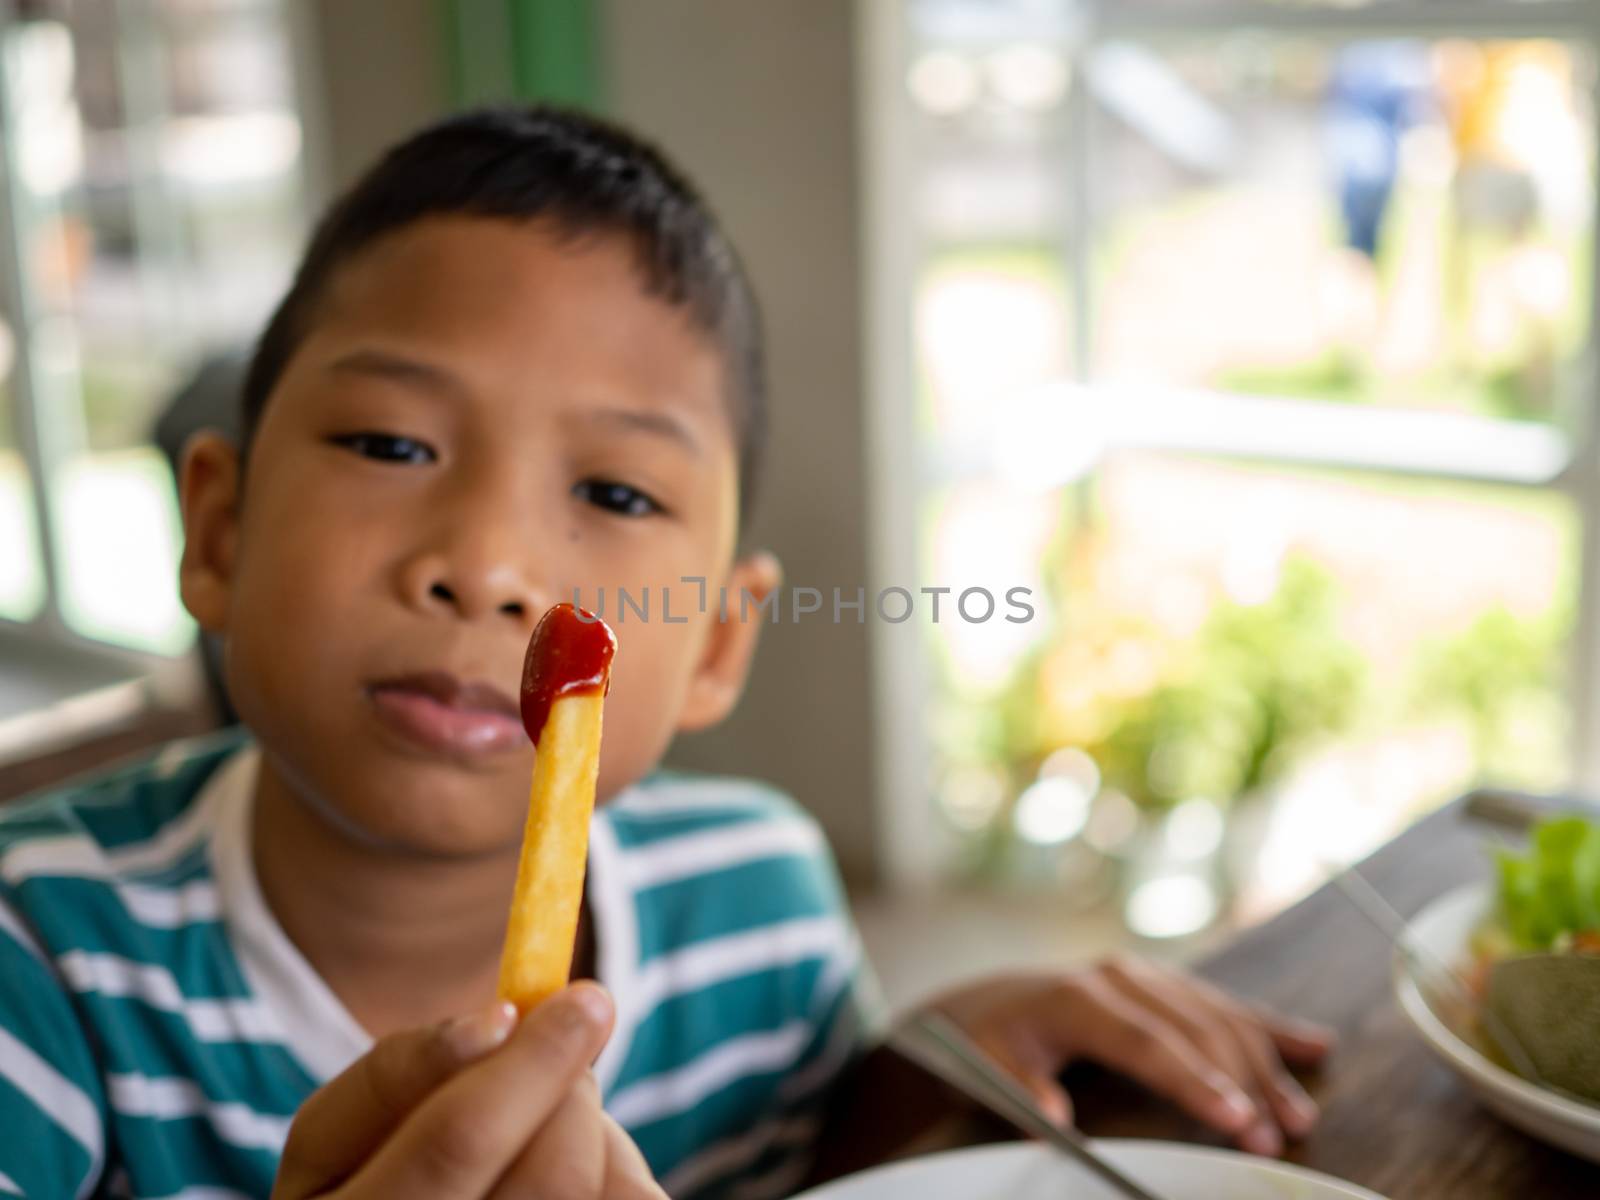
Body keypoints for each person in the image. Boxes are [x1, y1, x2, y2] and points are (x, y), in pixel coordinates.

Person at [0, 107, 1331, 1200]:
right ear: (221, 531)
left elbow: (807, 1151)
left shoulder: (756, 894)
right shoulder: (41, 962)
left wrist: (952, 1058)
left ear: (715, 642)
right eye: (393, 445)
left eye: (619, 495)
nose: (492, 565)